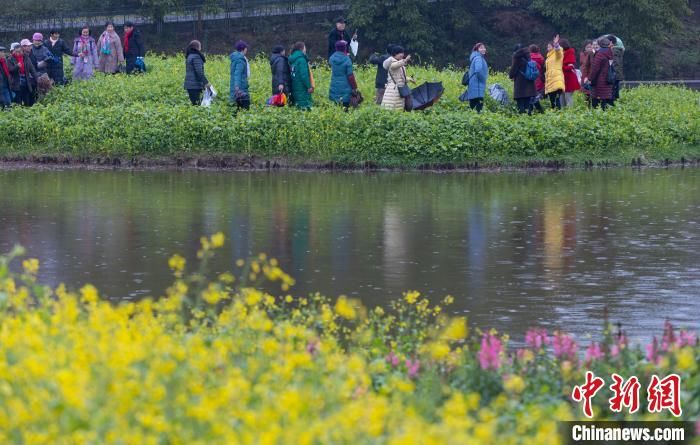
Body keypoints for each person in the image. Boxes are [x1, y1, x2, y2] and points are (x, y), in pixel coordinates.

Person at [381, 45, 412, 112]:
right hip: (393, 89)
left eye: (402, 52)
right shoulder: (392, 63)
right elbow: (395, 66)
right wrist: (405, 60)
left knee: (398, 107)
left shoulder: (400, 63)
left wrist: (410, 79)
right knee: (391, 107)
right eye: (400, 53)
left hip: (399, 89)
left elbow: (401, 77)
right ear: (395, 54)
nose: (402, 54)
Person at [509, 44, 536, 115]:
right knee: (528, 107)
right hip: (530, 86)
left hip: (520, 86)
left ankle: (522, 122)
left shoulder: (517, 57)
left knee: (521, 108)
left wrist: (510, 75)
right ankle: (529, 122)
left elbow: (512, 72)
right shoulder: (528, 56)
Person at [328, 40, 356, 109]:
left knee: (336, 108)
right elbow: (350, 76)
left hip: (334, 85)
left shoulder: (332, 58)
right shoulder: (347, 59)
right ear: (344, 48)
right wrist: (354, 87)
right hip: (345, 86)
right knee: (345, 108)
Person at [8, 42, 38, 106]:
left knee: (27, 98)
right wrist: (17, 66)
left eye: (20, 51)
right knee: (18, 100)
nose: (19, 53)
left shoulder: (26, 57)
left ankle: (27, 110)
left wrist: (37, 79)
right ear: (13, 51)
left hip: (26, 80)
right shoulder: (10, 59)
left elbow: (32, 69)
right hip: (16, 82)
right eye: (17, 51)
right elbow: (10, 70)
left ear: (22, 50)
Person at [589, 37, 614, 110]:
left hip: (599, 82)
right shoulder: (610, 53)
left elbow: (595, 69)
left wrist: (591, 79)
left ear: (600, 44)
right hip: (608, 80)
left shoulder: (599, 54)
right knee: (605, 103)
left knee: (596, 104)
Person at [288, 41, 314, 110]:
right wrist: (309, 86)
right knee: (305, 107)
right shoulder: (301, 60)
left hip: (295, 87)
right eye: (305, 48)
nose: (306, 49)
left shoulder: (292, 59)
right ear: (301, 49)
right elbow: (304, 75)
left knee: (297, 107)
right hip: (302, 88)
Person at [184, 40, 210, 106]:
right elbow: (199, 72)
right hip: (194, 85)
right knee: (197, 105)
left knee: (195, 105)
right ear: (198, 47)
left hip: (190, 85)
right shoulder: (196, 57)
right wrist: (206, 82)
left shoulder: (189, 56)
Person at [466, 42, 488, 113]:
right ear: (477, 49)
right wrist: (483, 79)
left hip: (473, 86)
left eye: (484, 47)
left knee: (472, 106)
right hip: (478, 86)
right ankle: (477, 121)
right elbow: (478, 70)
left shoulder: (475, 57)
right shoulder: (478, 58)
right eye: (481, 48)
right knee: (479, 108)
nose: (483, 49)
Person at [544, 35, 564, 110]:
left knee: (556, 100)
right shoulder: (549, 56)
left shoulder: (557, 53)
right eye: (547, 47)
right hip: (550, 81)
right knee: (552, 101)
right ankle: (555, 116)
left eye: (549, 47)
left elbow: (558, 52)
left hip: (556, 80)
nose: (547, 48)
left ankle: (558, 115)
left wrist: (556, 44)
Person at [229, 40, 250, 110]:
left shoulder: (235, 57)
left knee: (235, 110)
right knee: (245, 109)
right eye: (246, 48)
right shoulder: (240, 59)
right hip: (241, 88)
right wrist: (237, 87)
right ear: (244, 49)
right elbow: (237, 73)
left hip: (235, 87)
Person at [560, 38, 580, 108]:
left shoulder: (569, 52)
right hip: (564, 78)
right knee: (562, 97)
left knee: (568, 97)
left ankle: (570, 113)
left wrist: (561, 67)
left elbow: (570, 67)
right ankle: (563, 113)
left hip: (569, 79)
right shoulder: (563, 53)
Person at [528, 44, 545, 113]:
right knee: (537, 95)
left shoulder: (528, 57)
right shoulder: (541, 58)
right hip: (539, 78)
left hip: (531, 79)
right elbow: (544, 69)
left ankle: (530, 111)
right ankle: (540, 111)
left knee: (531, 96)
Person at [608, 34, 624, 102]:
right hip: (617, 74)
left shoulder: (614, 51)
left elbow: (615, 64)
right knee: (615, 91)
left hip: (614, 75)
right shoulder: (618, 50)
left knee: (613, 92)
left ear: (611, 42)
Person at [579, 40, 594, 107]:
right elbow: (584, 63)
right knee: (586, 94)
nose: (589, 49)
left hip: (590, 76)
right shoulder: (583, 55)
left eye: (590, 47)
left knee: (591, 93)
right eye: (588, 47)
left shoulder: (593, 54)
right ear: (584, 48)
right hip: (584, 76)